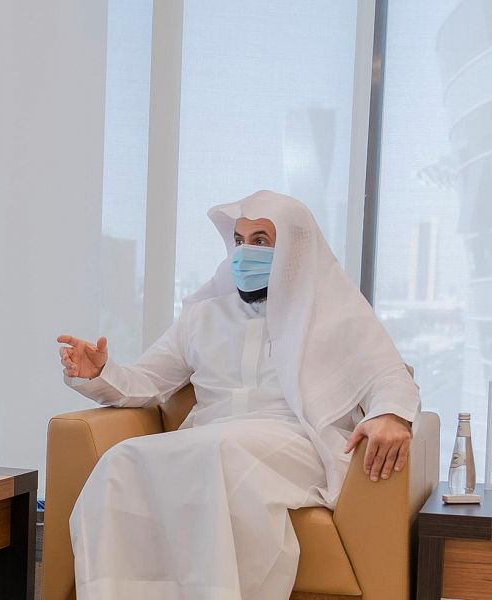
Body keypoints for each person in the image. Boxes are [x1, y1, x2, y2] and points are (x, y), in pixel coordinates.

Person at [57, 191, 419, 599]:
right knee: (120, 460)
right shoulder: (204, 314)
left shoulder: (335, 313)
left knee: (220, 452)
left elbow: (391, 376)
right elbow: (147, 380)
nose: (245, 252)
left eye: (260, 241)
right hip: (210, 439)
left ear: (295, 248)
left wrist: (390, 415)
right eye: (240, 240)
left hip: (294, 439)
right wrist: (99, 372)